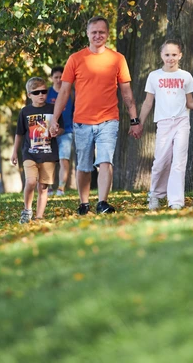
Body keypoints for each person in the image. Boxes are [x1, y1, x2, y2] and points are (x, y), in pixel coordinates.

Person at [51, 15, 142, 215]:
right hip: (82, 122)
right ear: (88, 34)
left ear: (108, 34)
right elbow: (64, 92)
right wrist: (54, 119)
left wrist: (135, 120)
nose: (98, 35)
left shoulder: (117, 59)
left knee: (105, 161)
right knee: (83, 166)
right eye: (94, 32)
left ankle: (102, 202)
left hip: (109, 120)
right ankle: (84, 203)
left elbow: (126, 93)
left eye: (102, 32)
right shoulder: (75, 59)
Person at [140, 40, 193, 211]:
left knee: (179, 161)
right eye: (167, 54)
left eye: (174, 55)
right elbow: (147, 103)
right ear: (161, 56)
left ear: (180, 56)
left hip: (182, 122)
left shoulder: (185, 76)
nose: (170, 58)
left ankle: (176, 201)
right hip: (164, 124)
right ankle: (155, 196)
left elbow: (191, 102)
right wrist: (139, 123)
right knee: (161, 161)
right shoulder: (154, 76)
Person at [10, 77, 62, 224]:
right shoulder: (25, 112)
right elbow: (19, 133)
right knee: (31, 181)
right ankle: (27, 210)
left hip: (49, 154)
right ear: (29, 95)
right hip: (29, 153)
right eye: (36, 92)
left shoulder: (53, 109)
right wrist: (15, 152)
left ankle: (39, 217)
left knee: (43, 186)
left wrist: (57, 131)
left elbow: (62, 128)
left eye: (44, 91)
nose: (41, 95)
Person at [47, 66, 75, 197]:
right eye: (56, 77)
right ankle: (48, 187)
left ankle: (61, 188)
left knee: (64, 159)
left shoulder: (71, 92)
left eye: (61, 77)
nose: (58, 80)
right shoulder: (47, 94)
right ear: (51, 78)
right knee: (49, 160)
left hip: (67, 131)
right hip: (49, 132)